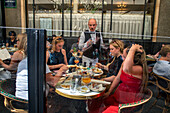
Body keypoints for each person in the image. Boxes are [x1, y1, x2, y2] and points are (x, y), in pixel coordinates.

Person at [88, 44, 148, 113]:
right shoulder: (125, 64)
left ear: (131, 57)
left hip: (127, 102)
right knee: (96, 100)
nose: (122, 58)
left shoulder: (138, 68)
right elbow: (117, 78)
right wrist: (109, 92)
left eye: (125, 57)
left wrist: (133, 49)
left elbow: (126, 68)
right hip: (119, 96)